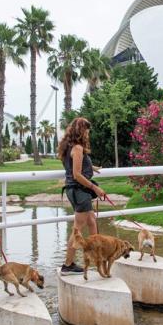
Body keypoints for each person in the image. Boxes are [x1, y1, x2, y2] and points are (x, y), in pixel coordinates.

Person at [59, 117, 104, 275]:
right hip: (80, 191)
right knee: (77, 230)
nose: (88, 134)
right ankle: (68, 265)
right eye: (86, 131)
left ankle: (98, 255)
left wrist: (92, 167)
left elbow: (76, 164)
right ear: (81, 131)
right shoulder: (77, 148)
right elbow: (77, 174)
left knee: (92, 220)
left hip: (75, 191)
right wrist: (95, 188)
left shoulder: (69, 147)